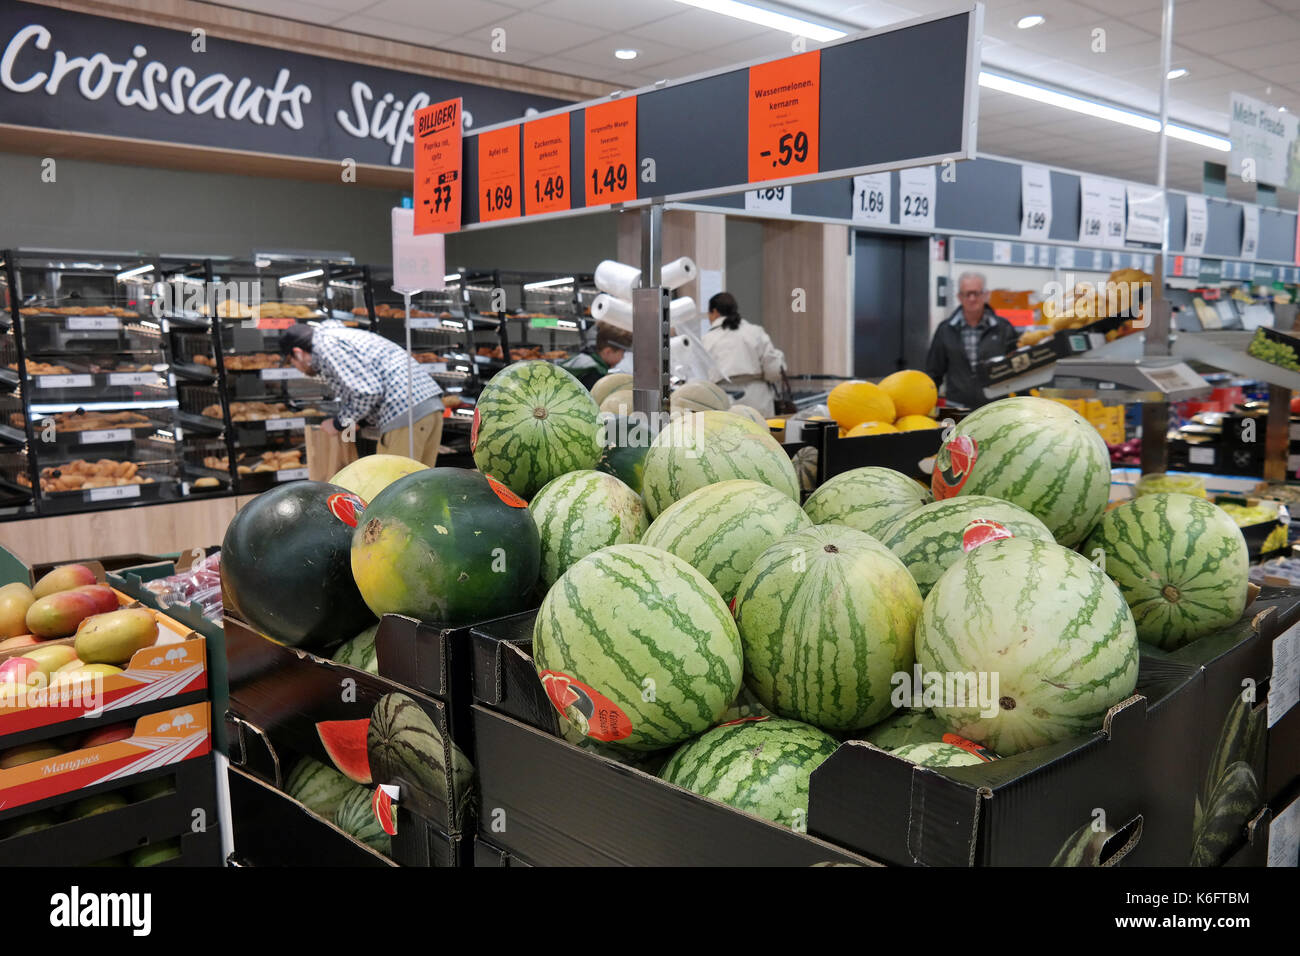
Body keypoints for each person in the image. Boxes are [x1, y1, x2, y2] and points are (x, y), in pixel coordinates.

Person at [280, 321, 444, 465]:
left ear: (298, 353)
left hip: (405, 414)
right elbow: (363, 387)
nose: (296, 368)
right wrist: (357, 422)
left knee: (393, 488)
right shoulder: (337, 337)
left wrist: (338, 423)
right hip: (428, 407)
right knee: (420, 485)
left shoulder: (327, 346)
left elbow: (367, 392)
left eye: (291, 362)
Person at [925, 271, 1019, 409]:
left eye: (976, 293)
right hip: (957, 409)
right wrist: (927, 405)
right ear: (959, 297)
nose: (972, 298)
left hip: (995, 408)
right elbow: (934, 373)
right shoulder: (946, 329)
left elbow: (1019, 367)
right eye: (967, 294)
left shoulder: (1003, 328)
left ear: (986, 295)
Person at [701, 292, 785, 417]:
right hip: (757, 398)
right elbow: (773, 370)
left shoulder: (707, 339)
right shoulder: (755, 332)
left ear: (715, 312)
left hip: (723, 399)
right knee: (759, 435)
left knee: (726, 435)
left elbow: (701, 376)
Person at [558, 322, 632, 389]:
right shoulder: (594, 373)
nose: (622, 357)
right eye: (622, 353)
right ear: (608, 351)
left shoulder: (586, 359)